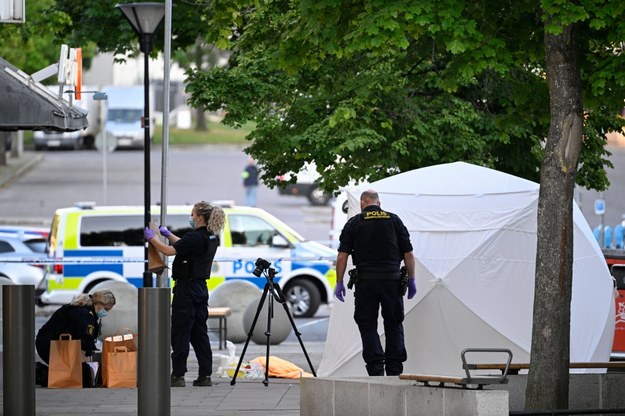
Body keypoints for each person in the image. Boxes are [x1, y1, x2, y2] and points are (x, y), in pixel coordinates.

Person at [333, 190, 417, 376]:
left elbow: (342, 257)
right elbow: (409, 254)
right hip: (392, 281)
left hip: (366, 283)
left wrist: (339, 282)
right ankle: (395, 370)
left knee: (367, 324)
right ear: (378, 203)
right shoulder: (394, 220)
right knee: (394, 323)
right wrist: (412, 279)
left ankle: (375, 369)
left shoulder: (354, 223)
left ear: (363, 203)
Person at [144, 201, 226, 387]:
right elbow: (183, 245)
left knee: (180, 333)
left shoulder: (195, 237)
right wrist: (167, 234)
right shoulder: (210, 237)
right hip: (200, 289)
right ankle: (205, 375)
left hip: (186, 291)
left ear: (199, 217)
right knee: (199, 334)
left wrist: (152, 239)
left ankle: (178, 375)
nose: (191, 217)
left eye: (192, 214)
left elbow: (169, 251)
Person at [36, 289, 117, 365]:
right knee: (67, 373)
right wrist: (91, 351)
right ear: (99, 303)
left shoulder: (83, 308)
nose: (106, 312)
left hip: (48, 342)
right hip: (51, 345)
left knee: (65, 372)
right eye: (106, 309)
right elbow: (86, 339)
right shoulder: (85, 314)